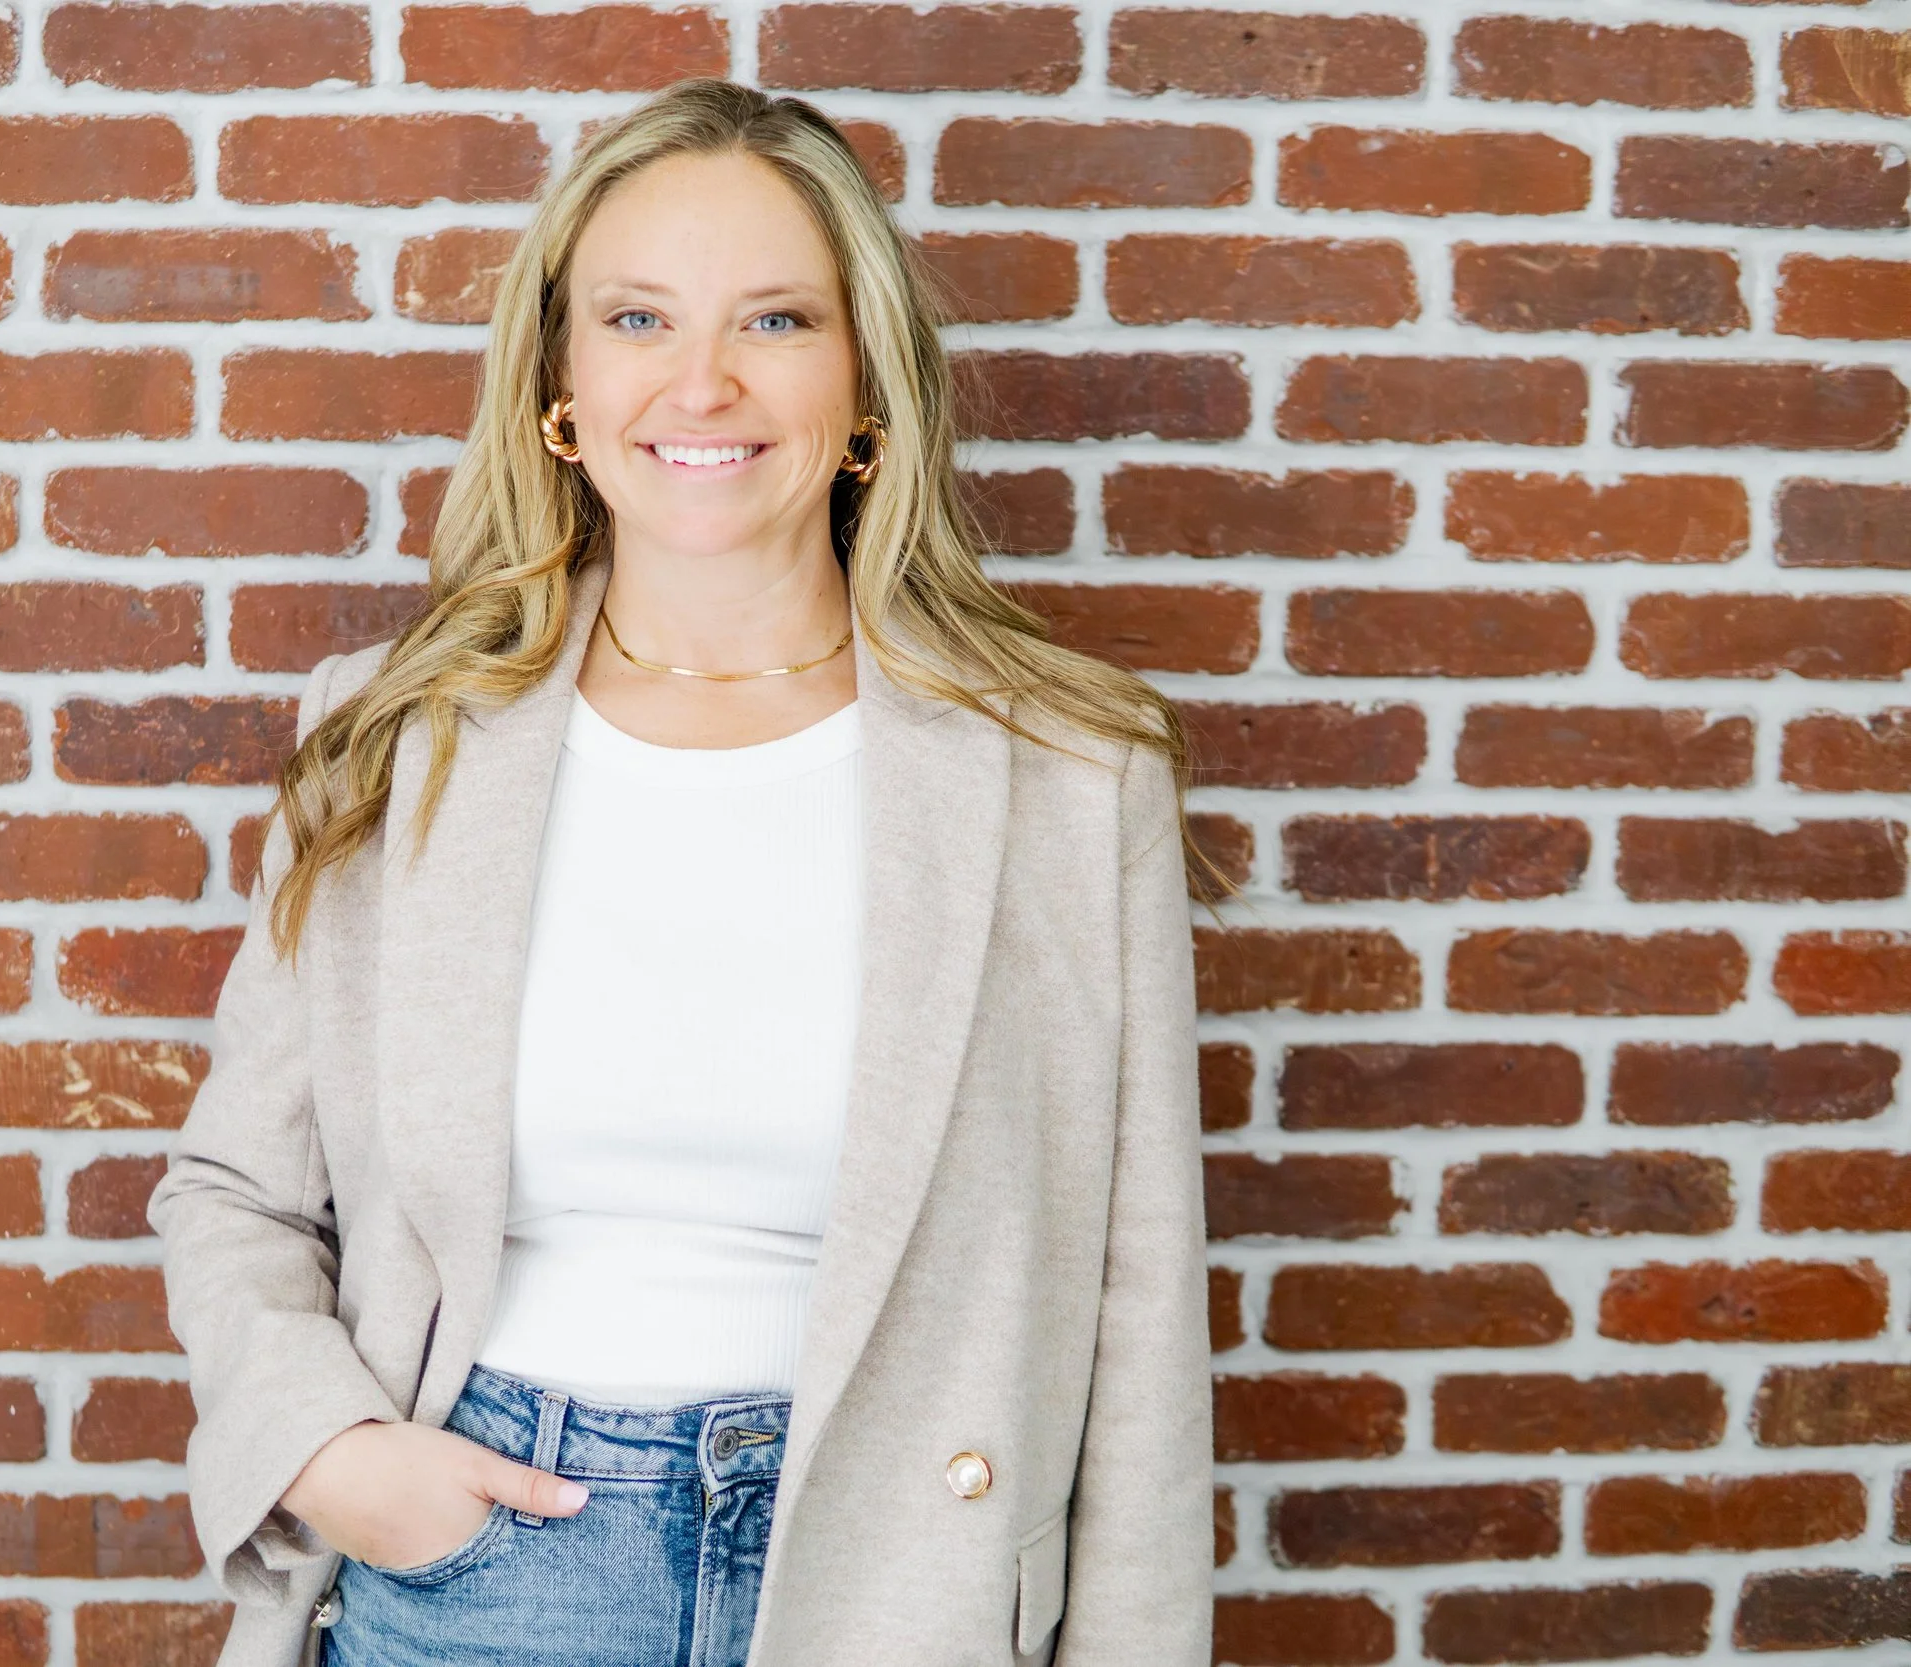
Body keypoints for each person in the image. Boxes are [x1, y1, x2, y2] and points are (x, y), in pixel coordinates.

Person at [150, 77, 1225, 1667]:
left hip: (904, 1586)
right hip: (489, 1572)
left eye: (778, 320)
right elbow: (235, 1190)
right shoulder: (397, 739)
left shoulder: (1072, 772)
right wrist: (337, 1460)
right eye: (639, 317)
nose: (703, 382)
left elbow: (1140, 1314)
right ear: (560, 387)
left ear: (868, 385)